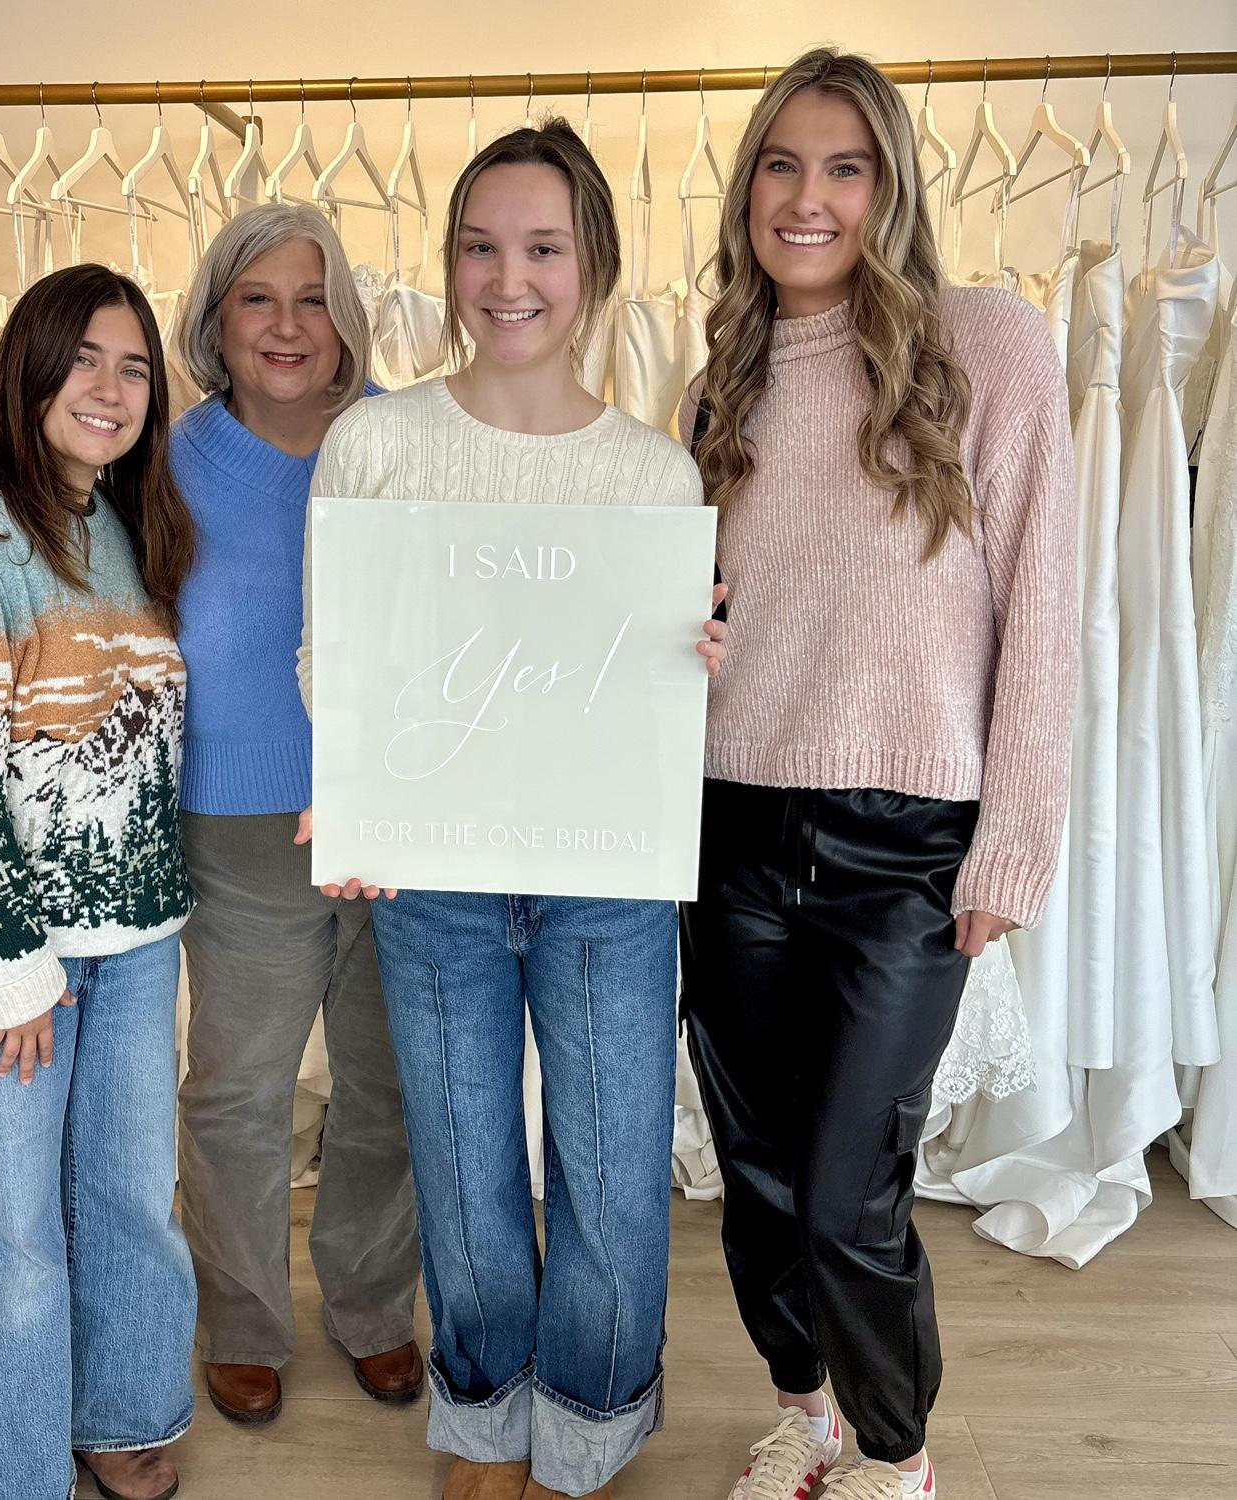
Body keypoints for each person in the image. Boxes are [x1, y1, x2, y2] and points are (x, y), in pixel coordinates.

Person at [298, 120, 729, 1500]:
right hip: (432, 869)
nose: (509, 279)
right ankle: (482, 1418)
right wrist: (353, 795)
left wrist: (699, 663)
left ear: (593, 265)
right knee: (466, 1163)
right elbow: (333, 655)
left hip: (606, 872)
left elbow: (648, 700)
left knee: (608, 1170)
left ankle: (592, 1428)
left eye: (543, 247)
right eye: (480, 247)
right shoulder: (374, 445)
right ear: (450, 264)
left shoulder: (656, 477)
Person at [678, 48, 1076, 1500]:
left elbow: (1043, 599)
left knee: (854, 1188)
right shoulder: (719, 374)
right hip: (729, 821)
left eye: (845, 166)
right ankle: (810, 1415)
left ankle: (894, 1459)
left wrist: (1012, 838)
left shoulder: (991, 346)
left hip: (907, 836)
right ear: (749, 191)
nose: (809, 196)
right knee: (759, 1176)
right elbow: (708, 606)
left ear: (891, 187)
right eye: (782, 163)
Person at [0, 263, 199, 1500]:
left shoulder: (121, 519)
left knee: (128, 1196)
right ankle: (11, 1475)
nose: (110, 389)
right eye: (85, 359)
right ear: (30, 365)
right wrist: (11, 970)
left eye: (134, 367)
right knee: (14, 1236)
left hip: (132, 934)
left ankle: (122, 1408)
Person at [171, 203, 423, 1425]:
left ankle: (375, 1308)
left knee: (390, 1083)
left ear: (349, 320)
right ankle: (241, 1321)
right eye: (257, 297)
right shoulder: (163, 461)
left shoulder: (405, 439)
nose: (286, 324)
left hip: (396, 811)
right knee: (238, 1088)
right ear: (217, 316)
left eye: (312, 297)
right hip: (242, 817)